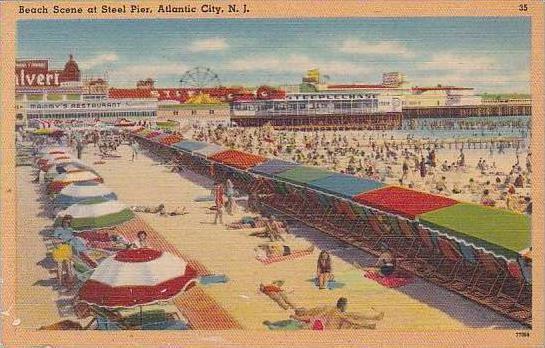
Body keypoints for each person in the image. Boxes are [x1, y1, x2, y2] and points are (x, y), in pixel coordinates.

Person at [290, 297, 383, 330]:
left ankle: (374, 318)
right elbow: (308, 318)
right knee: (351, 320)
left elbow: (308, 318)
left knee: (351, 316)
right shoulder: (312, 313)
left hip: (332, 318)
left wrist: (295, 317)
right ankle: (372, 321)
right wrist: (296, 316)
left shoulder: (314, 311)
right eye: (301, 310)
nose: (303, 308)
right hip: (332, 327)